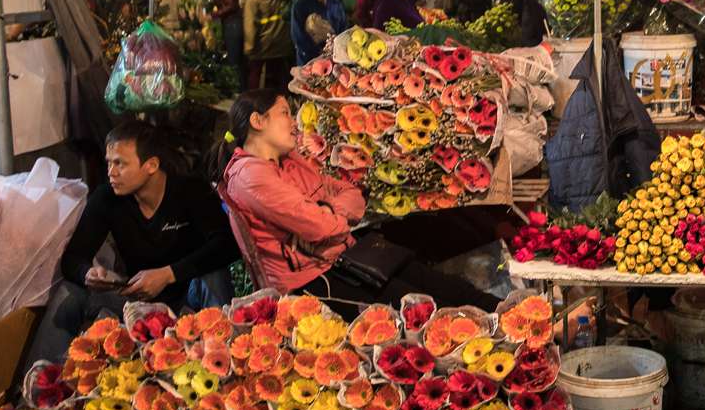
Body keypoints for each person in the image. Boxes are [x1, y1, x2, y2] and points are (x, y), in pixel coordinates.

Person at [214, 90, 500, 310]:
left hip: (345, 257)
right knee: (423, 309)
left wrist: (327, 213)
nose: (294, 122)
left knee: (450, 289)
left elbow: (351, 194)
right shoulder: (250, 176)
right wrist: (328, 219)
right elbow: (320, 227)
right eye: (285, 113)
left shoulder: (290, 160)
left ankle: (519, 317)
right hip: (312, 282)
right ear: (257, 121)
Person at [25, 122, 238, 365]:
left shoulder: (190, 191)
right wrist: (88, 273)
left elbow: (227, 245)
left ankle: (224, 363)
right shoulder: (106, 198)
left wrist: (168, 275)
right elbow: (73, 259)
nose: (111, 172)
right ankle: (40, 384)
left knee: (213, 275)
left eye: (120, 163)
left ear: (151, 165)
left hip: (186, 296)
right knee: (69, 292)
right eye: (109, 162)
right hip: (137, 300)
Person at [242, 0, 292, 89]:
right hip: (281, 43)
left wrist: (249, 47)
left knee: (255, 75)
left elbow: (250, 25)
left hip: (262, 45)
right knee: (278, 77)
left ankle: (255, 103)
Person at [291, 0, 348, 65]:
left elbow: (343, 29)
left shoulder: (335, 3)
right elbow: (298, 35)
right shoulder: (301, 5)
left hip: (333, 59)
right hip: (309, 61)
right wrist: (317, 52)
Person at [203, 0, 245, 90]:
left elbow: (232, 5)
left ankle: (238, 90)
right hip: (230, 23)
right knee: (234, 59)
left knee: (234, 60)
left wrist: (213, 15)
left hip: (232, 24)